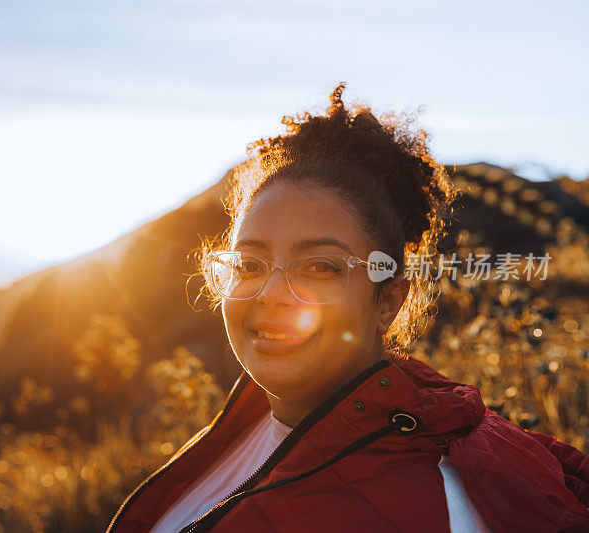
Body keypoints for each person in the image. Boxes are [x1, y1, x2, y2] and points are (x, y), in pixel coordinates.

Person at [107, 83, 589, 532]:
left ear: (389, 300)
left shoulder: (432, 506)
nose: (270, 293)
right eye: (250, 264)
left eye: (320, 267)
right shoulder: (251, 416)